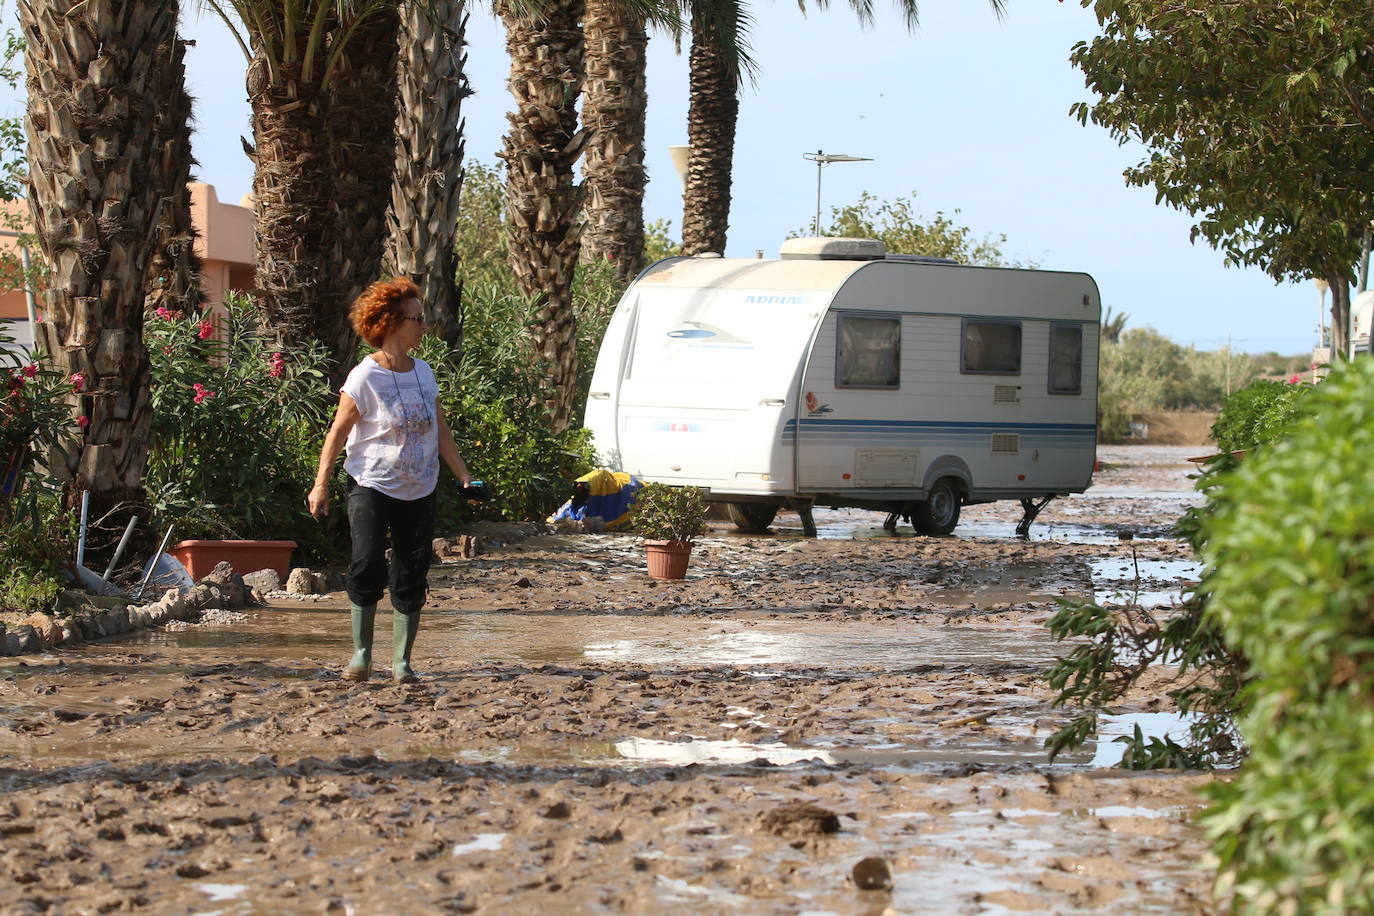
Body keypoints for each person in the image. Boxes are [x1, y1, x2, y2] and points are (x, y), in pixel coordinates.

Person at [307, 277, 473, 683]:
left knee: (412, 570)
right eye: (417, 320)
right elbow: (338, 433)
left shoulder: (425, 373)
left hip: (420, 486)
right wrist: (321, 483)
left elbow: (441, 431)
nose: (424, 327)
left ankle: (402, 662)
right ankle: (361, 657)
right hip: (371, 484)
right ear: (392, 322)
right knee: (365, 563)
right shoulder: (365, 377)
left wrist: (465, 476)